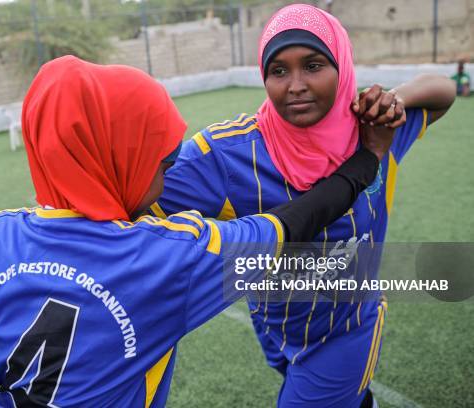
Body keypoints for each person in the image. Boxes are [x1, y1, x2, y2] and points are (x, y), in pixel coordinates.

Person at [0, 56, 393, 406]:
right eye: (162, 158)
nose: (168, 176)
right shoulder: (169, 253)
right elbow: (289, 225)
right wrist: (367, 159)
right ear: (119, 158)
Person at [147, 4, 455, 407]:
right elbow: (139, 199)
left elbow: (443, 91)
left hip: (345, 330)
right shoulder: (227, 155)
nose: (295, 85)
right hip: (271, 317)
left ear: (341, 67)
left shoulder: (377, 128)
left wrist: (396, 98)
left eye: (312, 65)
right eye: (278, 71)